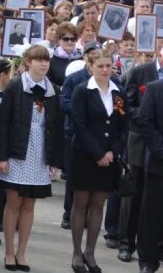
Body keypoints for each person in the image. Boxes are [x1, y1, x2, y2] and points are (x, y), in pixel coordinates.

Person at [0, 44, 65, 270]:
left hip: (40, 151)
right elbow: (3, 123)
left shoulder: (53, 89)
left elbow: (56, 127)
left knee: (29, 205)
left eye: (46, 60)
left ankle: (22, 252)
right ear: (27, 62)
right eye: (38, 60)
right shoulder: (15, 86)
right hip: (17, 151)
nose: (44, 64)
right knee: (13, 202)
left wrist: (54, 159)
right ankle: (9, 252)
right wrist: (1, 156)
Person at [69, 53, 126, 273]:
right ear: (90, 67)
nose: (105, 70)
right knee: (81, 203)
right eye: (100, 66)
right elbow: (79, 125)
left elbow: (122, 126)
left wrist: (112, 152)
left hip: (109, 158)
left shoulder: (118, 92)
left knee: (98, 205)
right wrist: (98, 153)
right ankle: (76, 252)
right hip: (85, 155)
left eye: (108, 66)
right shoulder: (82, 91)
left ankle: (90, 252)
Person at [135, 78, 163, 273]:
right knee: (151, 215)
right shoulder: (155, 89)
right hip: (159, 164)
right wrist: (161, 149)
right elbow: (144, 121)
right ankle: (147, 261)